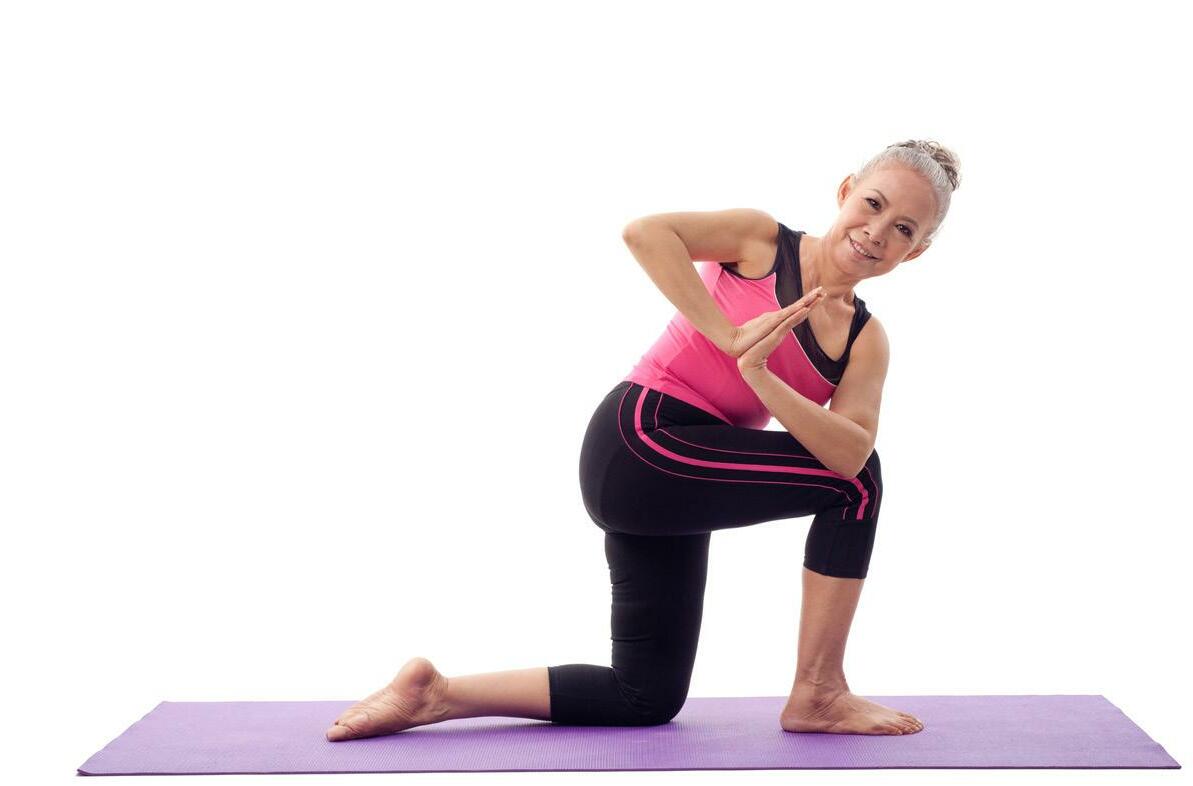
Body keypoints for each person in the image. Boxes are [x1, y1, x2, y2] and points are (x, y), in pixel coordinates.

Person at [325, 139, 961, 741]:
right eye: (873, 203)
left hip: (685, 477)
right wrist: (730, 337)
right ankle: (819, 690)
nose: (877, 231)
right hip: (642, 440)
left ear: (917, 251)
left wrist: (759, 373)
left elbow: (847, 451)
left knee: (645, 696)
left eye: (904, 228)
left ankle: (435, 694)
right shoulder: (762, 241)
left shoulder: (865, 340)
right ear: (846, 191)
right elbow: (647, 233)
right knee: (859, 487)